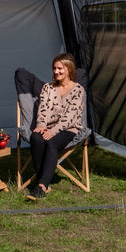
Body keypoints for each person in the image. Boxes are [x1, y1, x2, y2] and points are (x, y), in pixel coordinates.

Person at [25, 53, 85, 201]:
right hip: (48, 127)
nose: (56, 72)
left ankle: (42, 186)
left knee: (51, 142)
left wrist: (53, 131)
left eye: (60, 68)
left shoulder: (78, 90)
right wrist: (41, 125)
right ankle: (43, 181)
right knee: (36, 137)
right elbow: (43, 110)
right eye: (54, 68)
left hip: (69, 128)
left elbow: (70, 117)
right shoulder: (48, 87)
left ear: (69, 69)